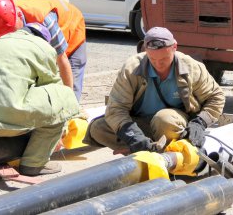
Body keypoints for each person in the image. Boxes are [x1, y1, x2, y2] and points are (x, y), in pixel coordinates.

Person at [0, 23, 79, 176]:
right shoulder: (43, 47)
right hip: (3, 120)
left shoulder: (0, 42)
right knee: (63, 97)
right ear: (44, 38)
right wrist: (61, 131)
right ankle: (34, 163)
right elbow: (51, 86)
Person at [83, 27, 225, 153]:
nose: (158, 64)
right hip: (141, 124)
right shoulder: (132, 68)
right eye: (152, 59)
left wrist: (199, 123)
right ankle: (145, 149)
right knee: (98, 128)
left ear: (174, 47)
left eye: (164, 58)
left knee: (164, 119)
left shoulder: (190, 67)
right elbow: (116, 109)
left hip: (172, 124)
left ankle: (167, 154)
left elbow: (216, 97)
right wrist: (134, 137)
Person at [0, 0, 86, 101]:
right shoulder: (1, 17)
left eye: (12, 31)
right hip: (43, 33)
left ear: (19, 15)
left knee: (71, 87)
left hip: (73, 29)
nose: (12, 36)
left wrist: (69, 101)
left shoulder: (44, 19)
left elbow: (62, 60)